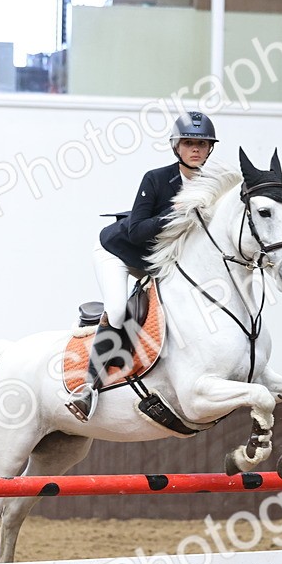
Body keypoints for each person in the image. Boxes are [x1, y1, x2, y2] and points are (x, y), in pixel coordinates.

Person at [66, 111, 219, 421]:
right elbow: (136, 231)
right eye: (188, 142)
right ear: (176, 146)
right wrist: (175, 213)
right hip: (119, 251)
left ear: (210, 149)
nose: (195, 149)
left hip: (158, 261)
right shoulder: (156, 179)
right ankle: (87, 388)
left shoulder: (212, 186)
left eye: (202, 144)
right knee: (118, 310)